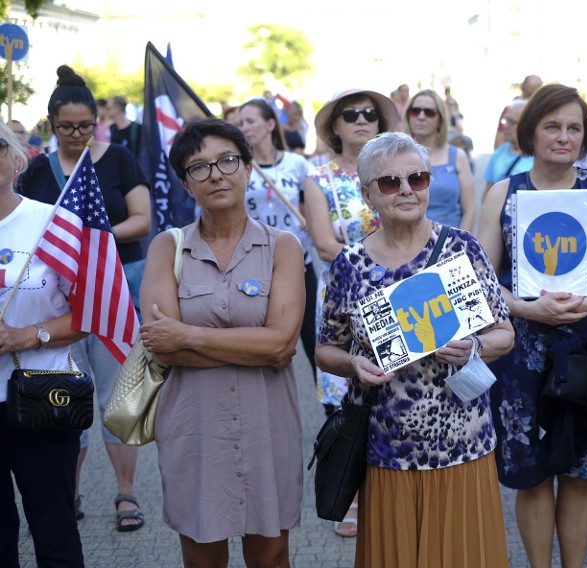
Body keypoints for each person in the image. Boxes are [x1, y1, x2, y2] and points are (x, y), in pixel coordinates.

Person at [316, 131, 515, 567]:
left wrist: (474, 346)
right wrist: (353, 363)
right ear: (368, 194)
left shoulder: (462, 247)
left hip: (463, 442)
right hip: (387, 444)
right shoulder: (349, 264)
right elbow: (325, 350)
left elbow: (505, 334)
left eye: (418, 178)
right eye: (390, 182)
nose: (406, 189)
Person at [480, 84, 587, 568]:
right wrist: (528, 310)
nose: (564, 137)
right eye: (552, 126)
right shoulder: (503, 193)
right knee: (530, 474)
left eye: (575, 128)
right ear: (530, 132)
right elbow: (481, 280)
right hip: (522, 349)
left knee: (579, 471)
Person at [139, 118, 304, 567]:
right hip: (195, 426)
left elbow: (281, 346)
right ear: (185, 184)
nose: (215, 174)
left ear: (248, 168)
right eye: (198, 167)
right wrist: (252, 344)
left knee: (271, 556)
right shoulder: (166, 248)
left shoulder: (283, 246)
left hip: (266, 424)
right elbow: (162, 347)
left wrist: (189, 334)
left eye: (227, 160)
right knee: (202, 556)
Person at [16, 65, 151, 532]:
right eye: (67, 127)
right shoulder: (37, 168)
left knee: (117, 393)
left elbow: (142, 219)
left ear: (98, 121)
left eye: (86, 126)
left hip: (114, 290)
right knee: (62, 394)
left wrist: (91, 241)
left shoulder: (117, 159)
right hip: (55, 306)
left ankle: (127, 493)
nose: (77, 135)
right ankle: (68, 492)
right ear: (52, 125)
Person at [303, 87, 396, 537]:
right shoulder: (317, 178)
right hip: (344, 293)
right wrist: (377, 262)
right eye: (351, 114)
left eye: (370, 114)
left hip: (398, 293)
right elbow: (323, 244)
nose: (362, 120)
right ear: (334, 126)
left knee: (395, 385)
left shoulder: (394, 173)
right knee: (346, 391)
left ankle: (390, 489)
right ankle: (353, 495)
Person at [0, 122, 88, 567]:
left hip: (42, 394)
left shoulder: (52, 222)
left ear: (16, 158)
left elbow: (90, 313)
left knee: (54, 533)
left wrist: (26, 336)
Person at [239, 99, 316, 379]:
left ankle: (334, 414)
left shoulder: (297, 164)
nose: (244, 127)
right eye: (241, 123)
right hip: (253, 267)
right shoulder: (239, 166)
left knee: (314, 339)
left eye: (250, 121)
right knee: (264, 346)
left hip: (297, 264)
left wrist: (312, 222)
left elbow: (309, 207)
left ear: (270, 124)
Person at [404, 89, 475, 230]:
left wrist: (459, 244)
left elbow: (470, 211)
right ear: (408, 117)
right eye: (415, 111)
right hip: (407, 244)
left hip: (450, 244)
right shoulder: (396, 156)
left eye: (429, 112)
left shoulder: (458, 156)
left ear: (440, 120)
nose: (421, 116)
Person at [483, 99, 533, 192]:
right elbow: (488, 191)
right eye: (506, 121)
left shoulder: (538, 157)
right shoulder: (499, 153)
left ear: (527, 125)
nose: (506, 126)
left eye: (513, 122)